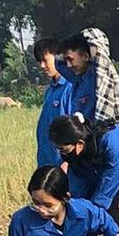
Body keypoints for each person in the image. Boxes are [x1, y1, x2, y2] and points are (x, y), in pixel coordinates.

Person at [58, 28, 119, 125]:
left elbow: (99, 52)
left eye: (70, 59)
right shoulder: (76, 78)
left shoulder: (99, 76)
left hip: (102, 130)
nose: (68, 65)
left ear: (86, 56)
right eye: (66, 60)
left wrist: (89, 43)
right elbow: (57, 62)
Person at [33, 37, 73, 168]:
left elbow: (77, 130)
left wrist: (67, 164)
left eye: (45, 60)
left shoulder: (70, 87)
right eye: (40, 61)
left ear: (58, 57)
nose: (42, 66)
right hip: (46, 162)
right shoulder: (50, 91)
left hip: (62, 166)